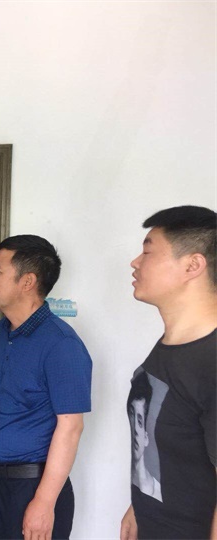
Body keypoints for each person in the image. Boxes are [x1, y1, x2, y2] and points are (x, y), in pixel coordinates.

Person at [0, 234, 92, 539]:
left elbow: (71, 427)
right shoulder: (2, 331)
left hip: (31, 488)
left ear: (27, 282)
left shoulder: (61, 345)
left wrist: (44, 502)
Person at [120, 205, 216, 540]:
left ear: (192, 265)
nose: (135, 262)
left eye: (147, 252)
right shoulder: (171, 345)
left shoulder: (210, 361)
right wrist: (140, 503)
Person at [127, 371, 162, 502]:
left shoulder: (159, 492)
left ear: (147, 437)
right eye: (132, 414)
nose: (136, 428)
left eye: (140, 421)